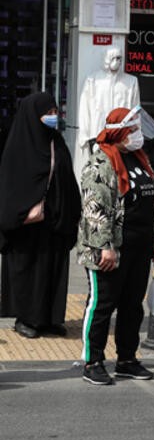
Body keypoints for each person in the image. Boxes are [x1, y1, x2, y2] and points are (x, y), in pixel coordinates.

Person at [77, 106, 154, 385]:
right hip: (110, 249)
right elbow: (95, 208)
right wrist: (105, 246)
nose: (138, 135)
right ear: (119, 132)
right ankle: (93, 361)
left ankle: (127, 359)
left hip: (139, 247)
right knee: (102, 305)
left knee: (132, 305)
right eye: (133, 130)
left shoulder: (140, 159)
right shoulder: (100, 163)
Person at [0, 93, 81, 338]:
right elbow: (10, 188)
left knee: (53, 270)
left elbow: (67, 178)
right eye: (49, 113)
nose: (54, 117)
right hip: (27, 226)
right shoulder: (17, 147)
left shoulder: (57, 143)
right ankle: (26, 318)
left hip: (54, 222)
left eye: (56, 112)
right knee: (28, 271)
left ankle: (50, 318)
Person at [75, 47, 140, 179]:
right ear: (106, 59)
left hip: (121, 137)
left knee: (120, 173)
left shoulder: (130, 82)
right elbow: (84, 109)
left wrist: (135, 136)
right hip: (97, 135)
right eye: (113, 58)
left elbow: (135, 111)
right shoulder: (93, 80)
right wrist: (85, 136)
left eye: (119, 58)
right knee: (99, 174)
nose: (117, 61)